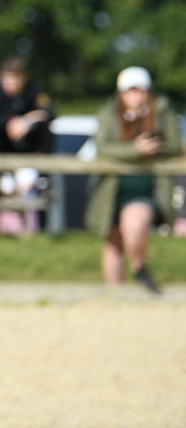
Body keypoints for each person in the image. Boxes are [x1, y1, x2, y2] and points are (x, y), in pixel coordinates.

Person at [86, 67, 181, 293]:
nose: (136, 96)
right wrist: (134, 150)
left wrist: (154, 147)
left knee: (135, 222)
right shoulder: (109, 114)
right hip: (110, 189)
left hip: (146, 188)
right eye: (131, 91)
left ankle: (139, 268)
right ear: (121, 93)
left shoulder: (161, 112)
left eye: (140, 91)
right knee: (113, 242)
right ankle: (115, 298)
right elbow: (102, 148)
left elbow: (175, 146)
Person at [0, 56, 55, 235]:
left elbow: (50, 113)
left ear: (23, 78)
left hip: (28, 158)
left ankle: (29, 231)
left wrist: (27, 121)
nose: (10, 83)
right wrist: (12, 122)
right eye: (6, 78)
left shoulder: (34, 92)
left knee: (26, 183)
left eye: (14, 77)